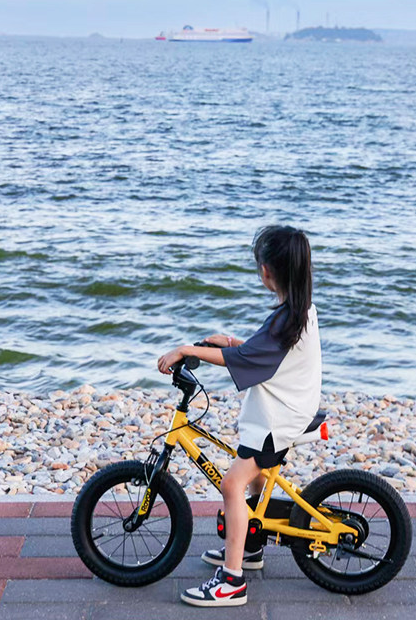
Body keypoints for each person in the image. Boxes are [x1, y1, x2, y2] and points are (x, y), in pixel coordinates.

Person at [157, 225, 322, 608]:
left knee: (233, 485)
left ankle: (232, 582)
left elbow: (251, 359)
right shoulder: (298, 311)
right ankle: (249, 545)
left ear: (266, 271)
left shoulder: (286, 318)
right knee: (252, 479)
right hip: (289, 405)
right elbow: (262, 352)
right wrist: (231, 342)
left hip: (278, 417)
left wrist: (185, 349)